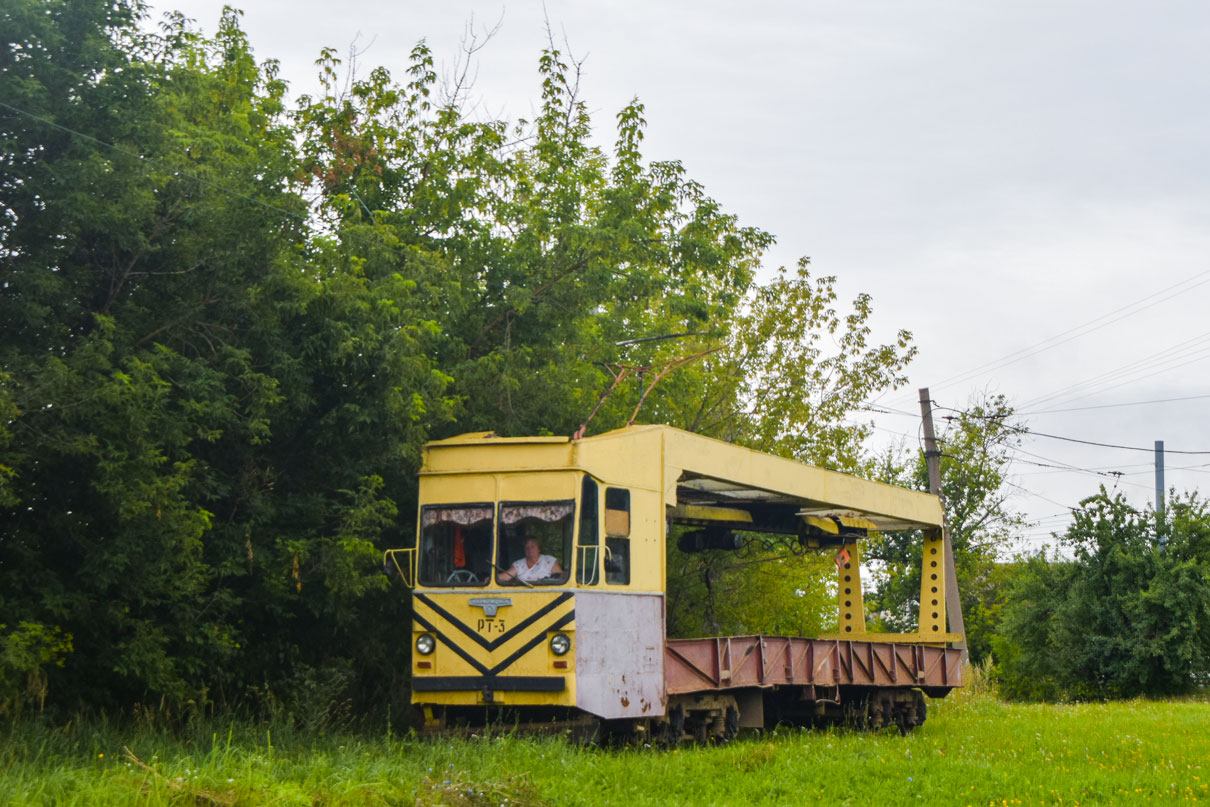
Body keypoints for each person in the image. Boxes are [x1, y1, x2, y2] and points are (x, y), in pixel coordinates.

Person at [498, 538, 563, 583]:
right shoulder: (518, 564)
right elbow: (506, 576)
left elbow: (560, 578)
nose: (529, 549)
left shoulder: (549, 561)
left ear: (539, 549)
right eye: (527, 547)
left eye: (532, 546)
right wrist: (490, 579)